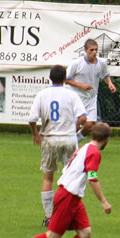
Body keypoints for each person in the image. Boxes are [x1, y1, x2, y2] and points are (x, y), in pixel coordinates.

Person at [8, 122, 113, 238]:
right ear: (107, 139)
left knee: (85, 232)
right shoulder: (94, 153)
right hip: (68, 196)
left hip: (72, 196)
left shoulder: (84, 148)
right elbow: (92, 179)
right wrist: (104, 201)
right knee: (53, 237)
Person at [29, 64, 87, 227]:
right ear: (64, 79)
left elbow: (32, 118)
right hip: (68, 139)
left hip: (49, 139)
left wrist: (35, 134)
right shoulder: (72, 95)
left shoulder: (42, 94)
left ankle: (49, 217)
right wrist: (74, 127)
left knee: (48, 178)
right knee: (71, 179)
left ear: (50, 78)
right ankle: (68, 216)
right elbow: (83, 117)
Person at [65, 39, 116, 141]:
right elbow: (66, 79)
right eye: (91, 50)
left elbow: (105, 74)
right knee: (74, 125)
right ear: (85, 50)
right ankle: (66, 141)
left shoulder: (101, 63)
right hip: (77, 97)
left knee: (89, 125)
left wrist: (110, 83)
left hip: (92, 98)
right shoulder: (76, 63)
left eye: (96, 50)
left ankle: (74, 142)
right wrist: (81, 85)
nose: (94, 52)